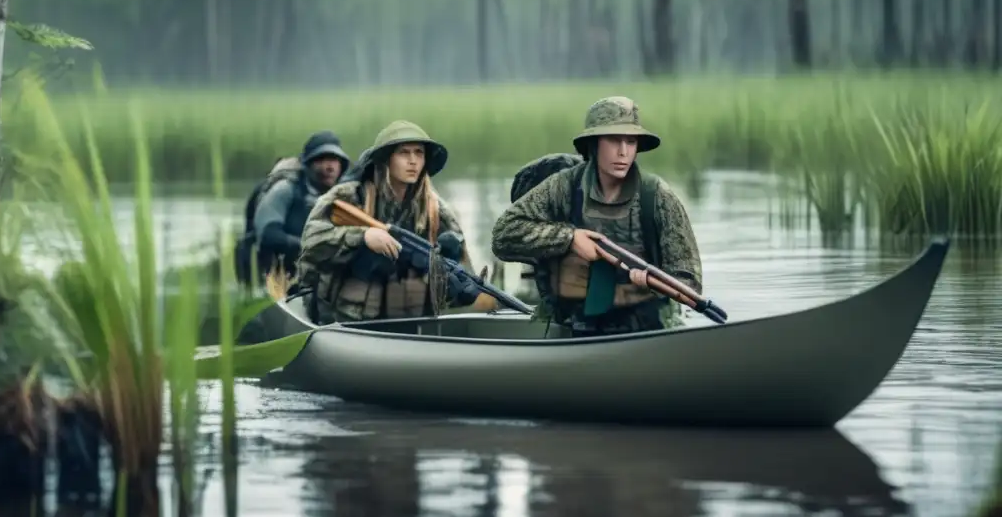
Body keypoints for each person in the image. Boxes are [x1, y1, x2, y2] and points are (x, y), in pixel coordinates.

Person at [490, 96, 702, 336]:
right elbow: (503, 235)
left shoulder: (657, 197)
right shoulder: (562, 188)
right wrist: (569, 238)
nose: (623, 152)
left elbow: (689, 284)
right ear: (593, 144)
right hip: (570, 328)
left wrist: (652, 284)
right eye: (613, 140)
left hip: (647, 331)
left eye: (631, 142)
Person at [296, 120, 482, 323]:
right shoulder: (350, 196)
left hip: (413, 322)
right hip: (344, 320)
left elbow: (464, 275)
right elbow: (310, 243)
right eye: (404, 153)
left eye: (419, 153)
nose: (413, 161)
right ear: (386, 160)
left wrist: (456, 286)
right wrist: (362, 237)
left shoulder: (436, 210)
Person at [235, 131, 350, 285]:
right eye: (322, 159)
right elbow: (268, 236)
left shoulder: (344, 197)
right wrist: (314, 247)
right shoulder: (285, 190)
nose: (330, 167)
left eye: (334, 160)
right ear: (307, 164)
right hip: (276, 278)